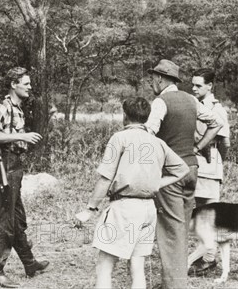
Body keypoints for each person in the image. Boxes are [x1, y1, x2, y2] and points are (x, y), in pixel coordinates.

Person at [75, 97, 190, 289]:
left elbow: (105, 179)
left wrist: (90, 209)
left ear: (125, 116)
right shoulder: (157, 142)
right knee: (137, 267)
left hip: (124, 208)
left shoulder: (119, 138)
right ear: (146, 117)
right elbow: (183, 169)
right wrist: (156, 183)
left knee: (105, 266)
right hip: (148, 209)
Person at [144, 59, 225, 289]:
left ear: (160, 78)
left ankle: (174, 285)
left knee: (170, 231)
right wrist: (197, 148)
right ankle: (172, 280)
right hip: (192, 171)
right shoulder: (191, 99)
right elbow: (216, 123)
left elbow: (149, 134)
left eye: (153, 79)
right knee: (180, 229)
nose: (151, 83)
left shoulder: (161, 102)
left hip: (171, 173)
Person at [0, 67, 48, 288]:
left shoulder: (18, 109)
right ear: (14, 85)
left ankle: (30, 264)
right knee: (4, 221)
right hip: (5, 168)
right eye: (26, 83)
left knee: (17, 219)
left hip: (15, 168)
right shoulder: (3, 107)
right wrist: (22, 135)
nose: (30, 87)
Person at [188, 68, 231, 276]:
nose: (194, 88)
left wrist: (216, 161)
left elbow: (225, 142)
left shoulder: (216, 109)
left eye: (198, 85)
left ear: (210, 86)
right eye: (193, 84)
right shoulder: (193, 104)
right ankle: (203, 255)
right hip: (192, 165)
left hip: (208, 165)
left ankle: (209, 259)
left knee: (209, 214)